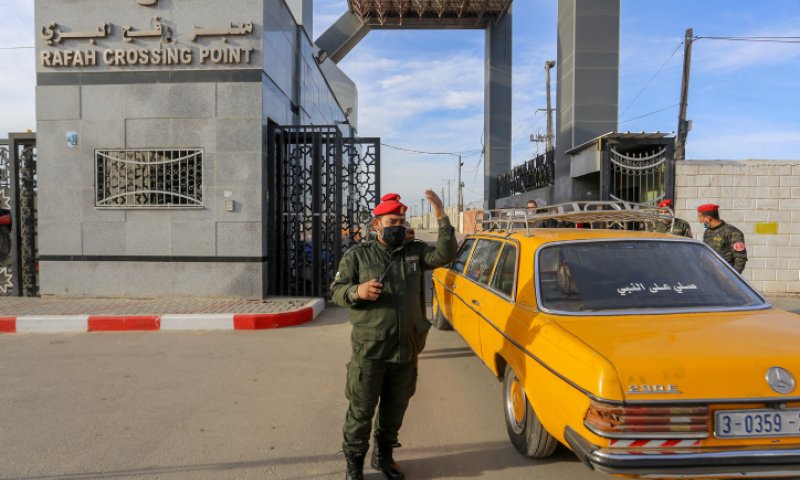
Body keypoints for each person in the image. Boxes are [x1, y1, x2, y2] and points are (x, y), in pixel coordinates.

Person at [331, 190, 457, 480]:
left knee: (395, 409)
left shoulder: (415, 252)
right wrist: (357, 291)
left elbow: (446, 254)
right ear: (377, 225)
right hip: (370, 352)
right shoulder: (358, 255)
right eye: (391, 221)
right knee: (361, 412)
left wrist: (440, 214)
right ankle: (354, 465)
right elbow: (336, 291)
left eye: (401, 220)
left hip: (406, 349)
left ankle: (384, 456)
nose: (397, 225)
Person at [697, 203, 747, 273]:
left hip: (724, 274)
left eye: (700, 217)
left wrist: (731, 278)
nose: (699, 221)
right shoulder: (708, 232)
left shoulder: (732, 232)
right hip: (708, 273)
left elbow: (740, 258)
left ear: (708, 219)